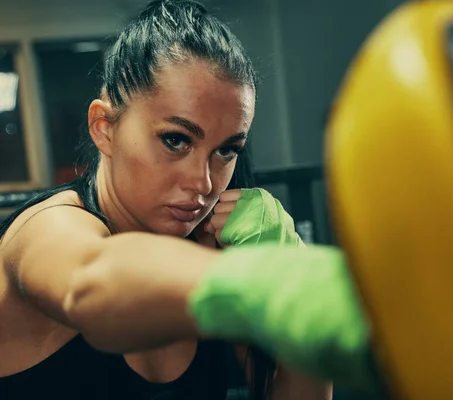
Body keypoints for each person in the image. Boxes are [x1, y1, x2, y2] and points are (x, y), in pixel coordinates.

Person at [0, 1, 331, 399]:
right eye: (176, 140)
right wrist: (271, 283)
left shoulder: (208, 245)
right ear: (104, 128)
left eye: (226, 150)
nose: (204, 182)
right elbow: (91, 285)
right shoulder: (49, 228)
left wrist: (297, 292)